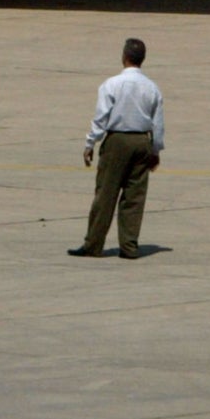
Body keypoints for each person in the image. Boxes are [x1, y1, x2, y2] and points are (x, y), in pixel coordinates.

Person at [71, 38, 163, 259]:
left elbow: (101, 117)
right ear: (143, 59)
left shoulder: (111, 84)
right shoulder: (152, 88)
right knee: (134, 196)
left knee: (106, 194)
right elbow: (158, 123)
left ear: (124, 57)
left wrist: (90, 143)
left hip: (117, 142)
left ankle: (93, 244)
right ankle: (129, 246)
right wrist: (155, 150)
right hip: (142, 141)